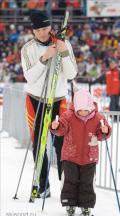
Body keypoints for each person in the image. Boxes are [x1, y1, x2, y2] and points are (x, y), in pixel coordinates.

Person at [21, 10, 78, 198]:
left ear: (51, 27)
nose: (42, 33)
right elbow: (29, 77)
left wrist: (63, 53)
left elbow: (71, 75)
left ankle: (66, 186)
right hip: (35, 100)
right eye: (38, 30)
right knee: (39, 144)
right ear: (33, 31)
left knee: (61, 145)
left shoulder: (65, 44)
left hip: (58, 100)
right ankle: (42, 184)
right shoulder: (27, 49)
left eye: (45, 28)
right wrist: (44, 58)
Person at [51, 89, 111, 216]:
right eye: (80, 110)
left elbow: (102, 135)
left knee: (87, 182)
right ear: (75, 107)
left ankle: (86, 205)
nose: (82, 113)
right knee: (70, 180)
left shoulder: (98, 118)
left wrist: (105, 130)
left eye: (85, 110)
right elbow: (61, 130)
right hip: (70, 155)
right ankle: (69, 203)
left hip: (90, 157)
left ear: (90, 107)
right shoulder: (68, 116)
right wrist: (56, 127)